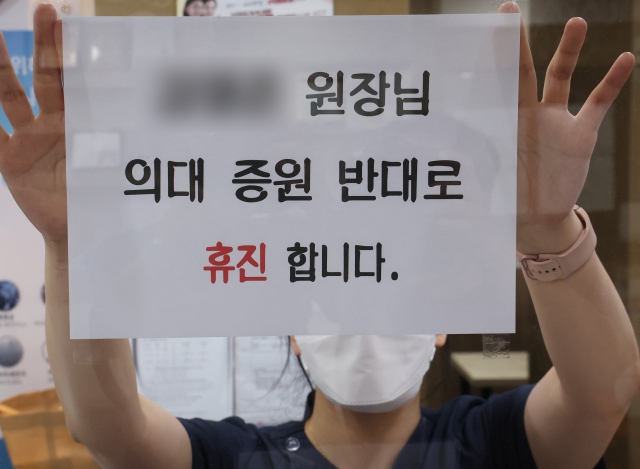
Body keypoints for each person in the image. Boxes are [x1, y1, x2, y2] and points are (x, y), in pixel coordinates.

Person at [0, 2, 638, 468]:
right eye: (337, 284)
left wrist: (549, 229)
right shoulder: (233, 455)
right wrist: (70, 245)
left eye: (394, 288)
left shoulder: (492, 443)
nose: (367, 313)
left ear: (440, 323)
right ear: (293, 330)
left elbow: (601, 396)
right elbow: (107, 428)